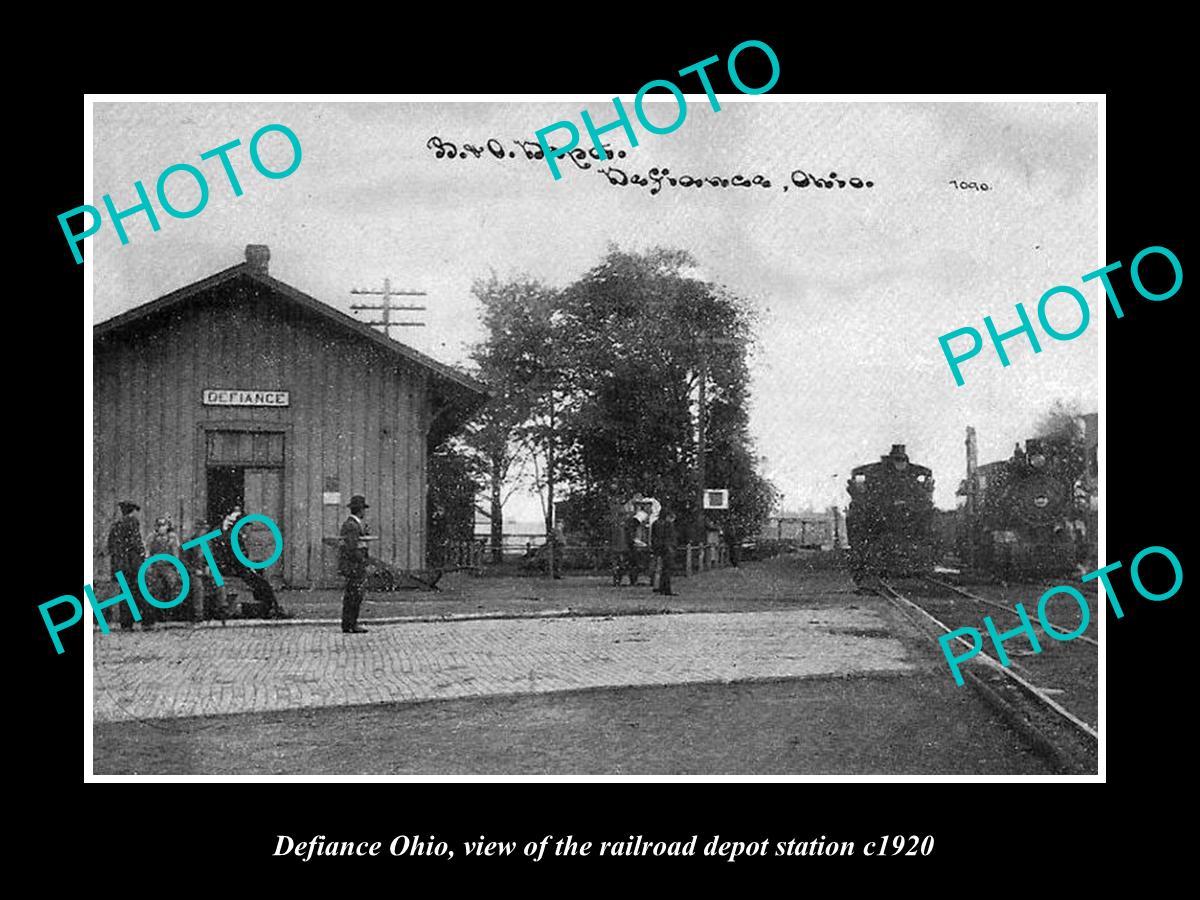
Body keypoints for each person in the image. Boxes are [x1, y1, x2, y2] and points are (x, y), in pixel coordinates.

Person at [220, 504, 286, 618]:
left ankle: (268, 607)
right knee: (262, 584)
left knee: (260, 582)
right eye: (244, 526)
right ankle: (268, 608)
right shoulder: (233, 537)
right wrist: (249, 569)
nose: (246, 528)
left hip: (236, 568)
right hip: (234, 569)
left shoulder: (234, 536)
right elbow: (237, 558)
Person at [106, 501, 145, 630]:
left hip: (119, 565)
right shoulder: (132, 523)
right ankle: (137, 621)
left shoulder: (115, 526)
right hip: (131, 565)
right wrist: (142, 555)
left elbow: (110, 546)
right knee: (135, 591)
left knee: (124, 592)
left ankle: (125, 623)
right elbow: (136, 543)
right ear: (131, 511)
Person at [339, 495, 371, 634]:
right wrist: (363, 560)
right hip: (355, 566)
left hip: (352, 565)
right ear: (360, 511)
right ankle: (351, 623)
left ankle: (348, 624)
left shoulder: (351, 524)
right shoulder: (353, 526)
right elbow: (352, 548)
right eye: (363, 509)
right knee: (355, 595)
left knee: (351, 594)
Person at [144, 516, 183, 626]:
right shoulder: (151, 538)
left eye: (164, 525)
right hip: (155, 566)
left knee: (172, 583)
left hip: (168, 566)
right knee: (154, 587)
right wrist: (148, 567)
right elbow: (147, 553)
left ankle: (169, 613)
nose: (161, 528)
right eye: (159, 525)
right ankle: (156, 615)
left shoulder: (172, 538)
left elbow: (176, 555)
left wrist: (177, 568)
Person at [652, 511, 678, 596]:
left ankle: (659, 587)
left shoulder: (655, 523)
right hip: (667, 548)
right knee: (667, 569)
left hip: (658, 548)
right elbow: (670, 537)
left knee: (659, 568)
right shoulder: (668, 525)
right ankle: (666, 589)